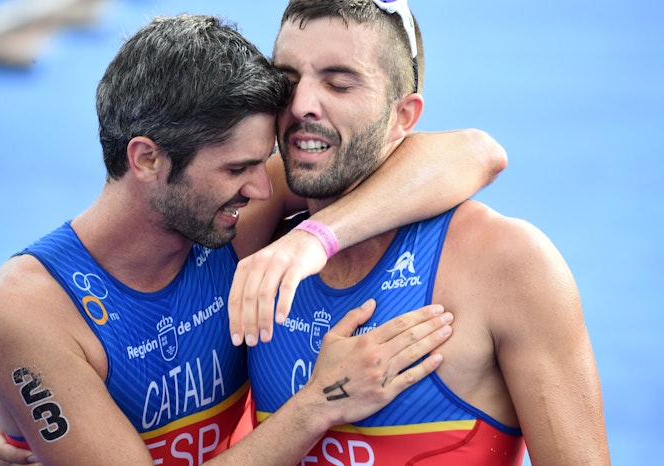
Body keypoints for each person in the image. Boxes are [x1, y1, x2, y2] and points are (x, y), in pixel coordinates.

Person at [0, 13, 507, 466]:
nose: (265, 189)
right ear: (147, 159)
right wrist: (320, 402)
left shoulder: (231, 221)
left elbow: (474, 152)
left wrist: (315, 238)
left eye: (262, 161)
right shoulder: (27, 310)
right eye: (237, 169)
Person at [237, 1, 612, 464]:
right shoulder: (254, 246)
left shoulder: (506, 263)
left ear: (404, 117)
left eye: (338, 84)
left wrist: (317, 235)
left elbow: (479, 150)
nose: (300, 105)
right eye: (287, 80)